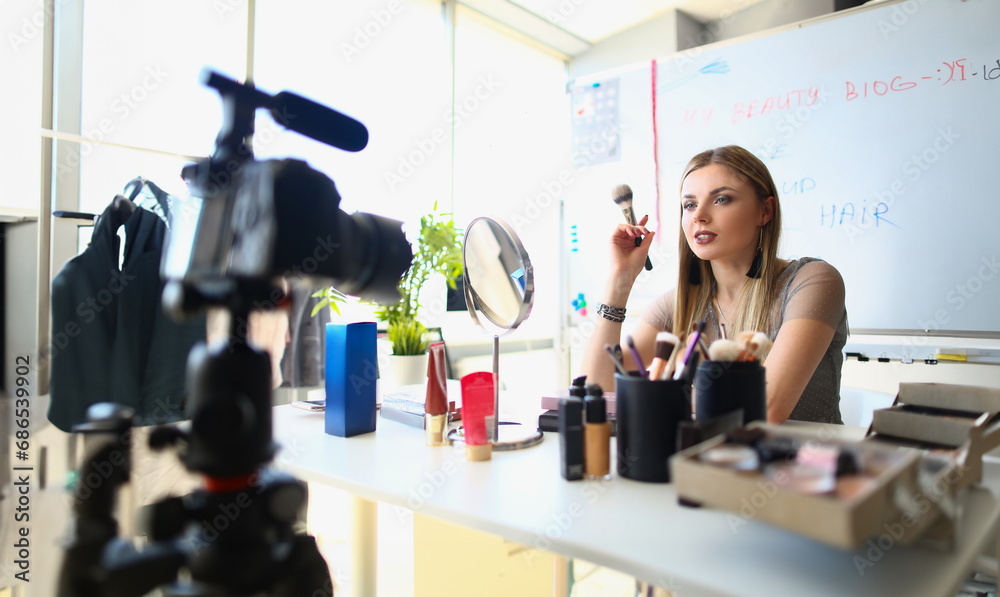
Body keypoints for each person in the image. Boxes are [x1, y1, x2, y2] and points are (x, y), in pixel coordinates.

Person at [580, 145, 848, 424]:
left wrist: (655, 394)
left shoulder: (812, 281)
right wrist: (620, 280)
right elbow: (594, 391)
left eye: (721, 199)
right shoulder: (677, 304)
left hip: (806, 452)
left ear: (765, 211)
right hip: (709, 451)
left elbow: (767, 408)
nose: (699, 216)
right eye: (689, 205)